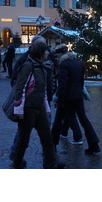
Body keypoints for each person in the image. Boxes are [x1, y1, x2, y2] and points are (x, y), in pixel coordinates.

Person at [11, 38, 65, 169]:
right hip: (28, 109)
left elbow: (43, 90)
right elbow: (20, 88)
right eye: (46, 50)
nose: (48, 53)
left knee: (47, 138)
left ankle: (51, 164)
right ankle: (16, 164)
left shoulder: (42, 67)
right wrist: (19, 110)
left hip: (40, 108)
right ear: (40, 52)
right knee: (23, 140)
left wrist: (46, 107)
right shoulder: (28, 66)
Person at [51, 48, 100, 155]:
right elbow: (81, 81)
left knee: (57, 121)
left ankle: (51, 147)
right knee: (84, 120)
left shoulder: (64, 65)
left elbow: (62, 84)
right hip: (77, 96)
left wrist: (60, 99)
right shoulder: (77, 63)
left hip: (67, 97)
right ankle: (94, 144)